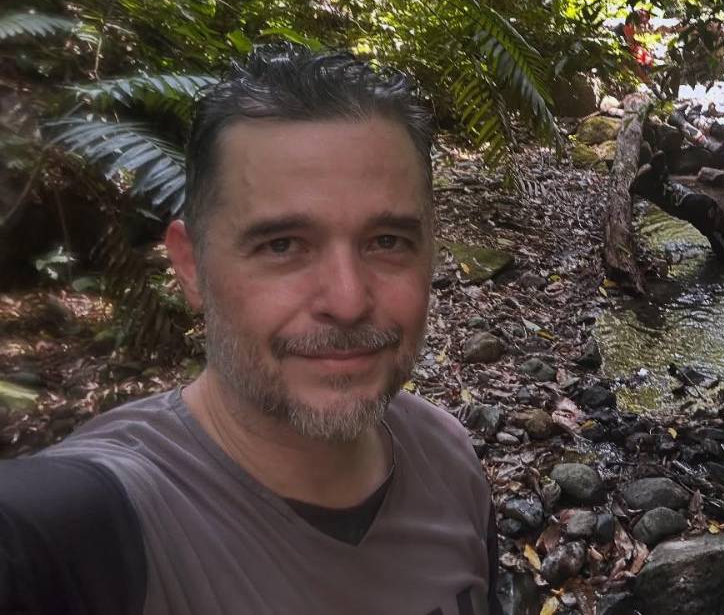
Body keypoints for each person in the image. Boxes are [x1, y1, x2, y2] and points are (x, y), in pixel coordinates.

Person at [0, 46, 499, 615]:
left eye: (387, 241)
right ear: (192, 268)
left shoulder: (449, 460)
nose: (347, 300)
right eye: (282, 245)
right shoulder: (92, 527)